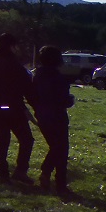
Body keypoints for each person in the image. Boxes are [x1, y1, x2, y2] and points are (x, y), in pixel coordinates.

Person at [0, 32, 34, 183]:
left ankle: (2, 172)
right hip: (14, 108)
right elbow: (27, 88)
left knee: (3, 139)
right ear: (12, 46)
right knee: (26, 139)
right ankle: (20, 171)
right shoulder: (15, 65)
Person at [31, 45, 75, 199]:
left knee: (55, 147)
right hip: (57, 116)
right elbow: (63, 100)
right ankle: (59, 183)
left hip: (42, 116)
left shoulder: (37, 76)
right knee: (61, 149)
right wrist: (70, 100)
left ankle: (48, 174)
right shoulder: (59, 78)